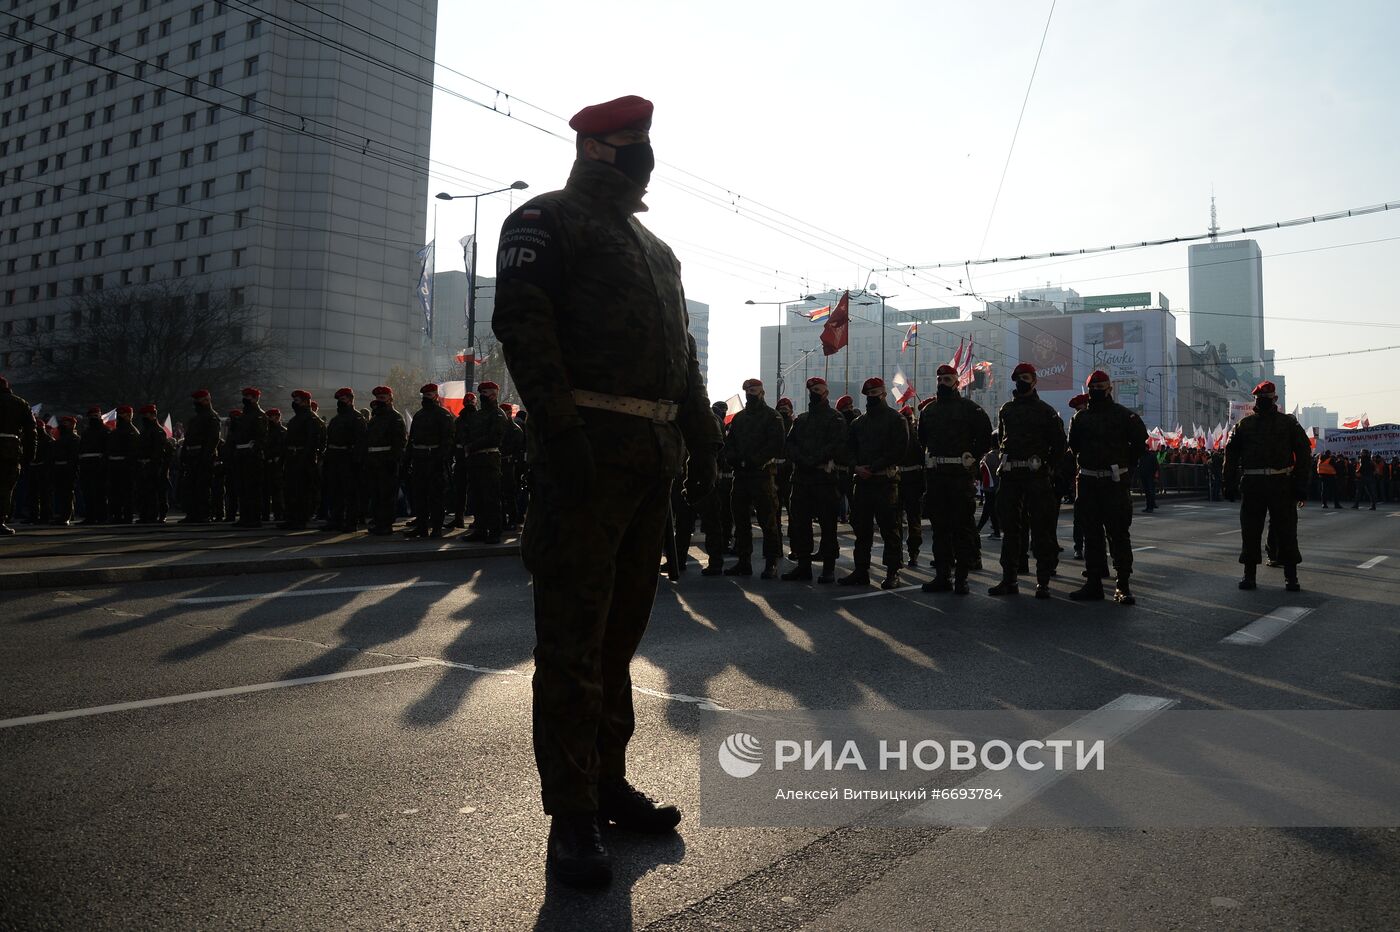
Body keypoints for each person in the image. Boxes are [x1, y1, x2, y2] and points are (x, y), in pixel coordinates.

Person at [492, 94, 721, 888]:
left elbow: (681, 357)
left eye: (644, 143)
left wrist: (703, 437)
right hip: (585, 462)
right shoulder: (545, 220)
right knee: (571, 644)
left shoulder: (657, 249)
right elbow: (525, 329)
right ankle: (573, 815)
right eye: (630, 144)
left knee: (617, 643)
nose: (642, 156)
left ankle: (608, 782)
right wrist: (561, 436)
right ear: (595, 149)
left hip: (647, 468)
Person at [1067, 371, 1148, 605]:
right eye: (1094, 386)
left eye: (1101, 386)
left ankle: (1123, 585)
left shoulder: (1125, 416)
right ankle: (1094, 583)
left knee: (1119, 535)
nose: (1098, 390)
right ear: (1088, 389)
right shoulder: (1080, 419)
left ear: (1110, 388)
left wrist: (1124, 468)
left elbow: (1139, 446)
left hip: (1114, 483)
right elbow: (1074, 447)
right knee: (1091, 535)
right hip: (1089, 482)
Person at [1223, 381, 1312, 592]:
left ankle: (1291, 577)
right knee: (1251, 530)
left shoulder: (1288, 424)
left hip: (1281, 482)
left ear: (1275, 400)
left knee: (1286, 530)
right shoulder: (1244, 425)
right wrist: (1228, 482)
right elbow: (1231, 454)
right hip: (1254, 483)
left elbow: (1304, 453)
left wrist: (1301, 484)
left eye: (1265, 398)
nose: (1262, 401)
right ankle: (1249, 575)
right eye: (1259, 398)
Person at [990, 363, 1066, 598]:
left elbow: (1060, 445)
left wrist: (1047, 468)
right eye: (1018, 377)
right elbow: (1002, 439)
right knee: (1010, 530)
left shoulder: (1047, 411)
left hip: (1036, 476)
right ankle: (1009, 579)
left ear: (1034, 380)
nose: (1021, 381)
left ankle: (1042, 582)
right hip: (1011, 476)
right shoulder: (1006, 410)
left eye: (1025, 377)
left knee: (1041, 529)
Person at [919, 364, 994, 595]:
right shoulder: (928, 411)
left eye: (948, 379)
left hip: (960, 477)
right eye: (940, 379)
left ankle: (961, 578)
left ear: (957, 382)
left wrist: (972, 457)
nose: (943, 383)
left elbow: (984, 437)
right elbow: (923, 440)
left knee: (961, 529)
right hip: (938, 477)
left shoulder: (971, 409)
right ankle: (942, 576)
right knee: (939, 529)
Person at [841, 377, 907, 590]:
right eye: (869, 394)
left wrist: (874, 466)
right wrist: (856, 467)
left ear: (884, 393)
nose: (872, 397)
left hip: (885, 482)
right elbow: (849, 450)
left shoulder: (896, 419)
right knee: (862, 530)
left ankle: (892, 572)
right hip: (862, 482)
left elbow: (899, 450)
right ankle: (861, 570)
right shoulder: (858, 423)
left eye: (876, 393)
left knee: (890, 529)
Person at [781, 377, 847, 583]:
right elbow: (789, 445)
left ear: (826, 392)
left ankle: (828, 568)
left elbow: (836, 445)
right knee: (801, 525)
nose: (814, 392)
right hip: (801, 480)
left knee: (828, 526)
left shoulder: (835, 418)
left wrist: (812, 460)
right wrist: (803, 460)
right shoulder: (801, 420)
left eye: (817, 389)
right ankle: (803, 566)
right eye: (811, 389)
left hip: (824, 479)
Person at [722, 378, 785, 578]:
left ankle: (771, 563)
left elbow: (776, 444)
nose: (751, 392)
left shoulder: (772, 416)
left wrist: (754, 461)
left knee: (768, 521)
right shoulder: (739, 418)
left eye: (754, 388)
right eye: (748, 389)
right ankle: (744, 561)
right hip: (740, 476)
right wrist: (735, 460)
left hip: (762, 475)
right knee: (740, 521)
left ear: (762, 391)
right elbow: (729, 444)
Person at [401, 383, 455, 539]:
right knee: (420, 495)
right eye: (424, 396)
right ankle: (422, 527)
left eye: (429, 395)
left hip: (435, 460)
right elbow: (412, 440)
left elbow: (448, 440)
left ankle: (436, 528)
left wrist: (441, 458)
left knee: (436, 496)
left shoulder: (443, 415)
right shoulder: (419, 415)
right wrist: (407, 460)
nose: (426, 398)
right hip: (419, 460)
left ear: (436, 396)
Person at [462, 381, 508, 543]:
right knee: (477, 497)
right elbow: (468, 432)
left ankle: (495, 531)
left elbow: (495, 437)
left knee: (491, 497)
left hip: (489, 459)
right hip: (476, 459)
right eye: (481, 392)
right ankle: (480, 529)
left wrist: (472, 445)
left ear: (495, 394)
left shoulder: (498, 414)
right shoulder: (478, 415)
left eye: (486, 392)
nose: (483, 395)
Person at [322, 388, 367, 533]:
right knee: (335, 492)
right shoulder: (336, 419)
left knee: (350, 493)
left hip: (348, 458)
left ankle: (351, 522)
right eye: (339, 400)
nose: (340, 402)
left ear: (350, 399)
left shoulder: (357, 417)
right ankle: (336, 520)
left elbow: (360, 442)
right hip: (335, 458)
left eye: (343, 399)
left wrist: (356, 461)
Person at [364, 387, 407, 535]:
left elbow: (399, 442)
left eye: (383, 397)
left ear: (390, 398)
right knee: (375, 494)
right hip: (374, 461)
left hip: (386, 461)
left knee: (386, 495)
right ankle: (377, 522)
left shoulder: (395, 417)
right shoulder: (376, 417)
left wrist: (393, 460)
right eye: (378, 398)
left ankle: (386, 524)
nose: (380, 400)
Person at [0, 375, 39, 535]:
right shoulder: (20, 403)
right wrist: (30, 455)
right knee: (5, 487)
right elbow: (31, 431)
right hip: (10, 450)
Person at [278, 391, 320, 530]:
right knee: (290, 490)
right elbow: (287, 441)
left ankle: (300, 519)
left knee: (301, 491)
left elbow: (312, 441)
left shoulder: (310, 418)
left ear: (306, 402)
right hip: (292, 458)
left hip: (302, 458)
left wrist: (305, 459)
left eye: (298, 400)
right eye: (295, 400)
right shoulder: (296, 419)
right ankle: (291, 517)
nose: (295, 403)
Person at [228, 388, 268, 528]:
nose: (246, 399)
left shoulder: (259, 415)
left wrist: (253, 450)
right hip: (241, 454)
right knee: (242, 488)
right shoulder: (243, 415)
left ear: (256, 398)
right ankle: (245, 517)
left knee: (252, 488)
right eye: (245, 396)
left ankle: (254, 518)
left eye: (249, 397)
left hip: (251, 456)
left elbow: (262, 437)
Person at [896, 405, 925, 568]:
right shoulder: (899, 435)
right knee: (901, 520)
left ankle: (911, 553)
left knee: (911, 520)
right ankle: (905, 553)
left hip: (911, 480)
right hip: (902, 479)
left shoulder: (917, 436)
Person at [135, 404, 170, 523]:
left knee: (157, 491)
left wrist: (153, 464)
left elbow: (159, 451)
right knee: (145, 492)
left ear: (153, 416)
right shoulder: (145, 431)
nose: (144, 417)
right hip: (144, 464)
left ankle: (158, 515)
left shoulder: (158, 431)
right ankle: (146, 514)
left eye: (147, 415)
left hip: (155, 465)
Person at [449, 391, 478, 529]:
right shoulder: (459, 420)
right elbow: (454, 438)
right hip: (461, 457)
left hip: (474, 456)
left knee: (475, 490)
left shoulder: (479, 418)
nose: (469, 405)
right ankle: (458, 518)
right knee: (459, 490)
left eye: (470, 402)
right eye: (467, 402)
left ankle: (477, 519)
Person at [78, 406, 109, 525]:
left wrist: (103, 464)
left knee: (100, 493)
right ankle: (90, 516)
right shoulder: (86, 432)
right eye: (91, 416)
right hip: (87, 466)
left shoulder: (105, 431)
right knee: (88, 493)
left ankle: (102, 516)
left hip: (99, 465)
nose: (93, 418)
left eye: (95, 416)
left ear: (100, 416)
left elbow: (107, 449)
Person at [50, 415, 81, 525]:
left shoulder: (74, 439)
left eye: (66, 423)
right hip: (59, 468)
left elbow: (74, 457)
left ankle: (66, 516)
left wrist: (70, 469)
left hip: (68, 469)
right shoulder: (60, 438)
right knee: (61, 494)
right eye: (62, 423)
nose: (63, 425)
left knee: (67, 493)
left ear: (72, 425)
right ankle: (64, 515)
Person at [25, 415, 54, 525]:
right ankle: (33, 516)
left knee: (44, 495)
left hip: (43, 470)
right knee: (33, 494)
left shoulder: (48, 440)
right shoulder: (32, 439)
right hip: (34, 469)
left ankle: (45, 516)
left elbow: (49, 458)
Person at [262, 407, 288, 522]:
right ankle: (265, 515)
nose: (270, 419)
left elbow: (283, 448)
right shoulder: (265, 432)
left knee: (277, 492)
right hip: (266, 464)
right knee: (265, 492)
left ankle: (279, 514)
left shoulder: (282, 431)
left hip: (277, 464)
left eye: (272, 417)